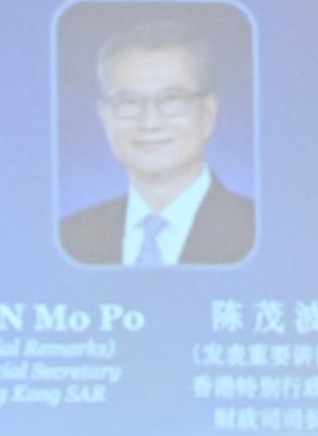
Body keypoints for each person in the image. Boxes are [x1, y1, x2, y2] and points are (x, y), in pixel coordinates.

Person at [57, 14, 255, 268]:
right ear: (105, 117)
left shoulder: (259, 229)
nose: (150, 122)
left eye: (171, 100)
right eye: (129, 102)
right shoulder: (72, 237)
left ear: (207, 113)